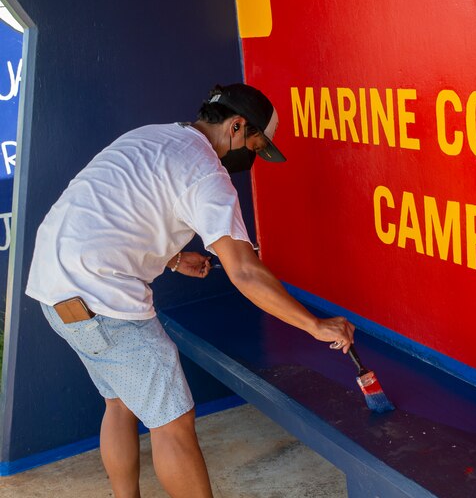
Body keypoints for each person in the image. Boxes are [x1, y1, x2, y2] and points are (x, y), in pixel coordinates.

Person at [25, 83, 355, 498]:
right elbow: (246, 272)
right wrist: (314, 325)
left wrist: (174, 259)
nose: (251, 156)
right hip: (102, 298)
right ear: (236, 126)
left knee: (120, 403)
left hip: (53, 289)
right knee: (174, 425)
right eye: (253, 145)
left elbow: (113, 210)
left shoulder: (150, 135)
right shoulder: (205, 171)